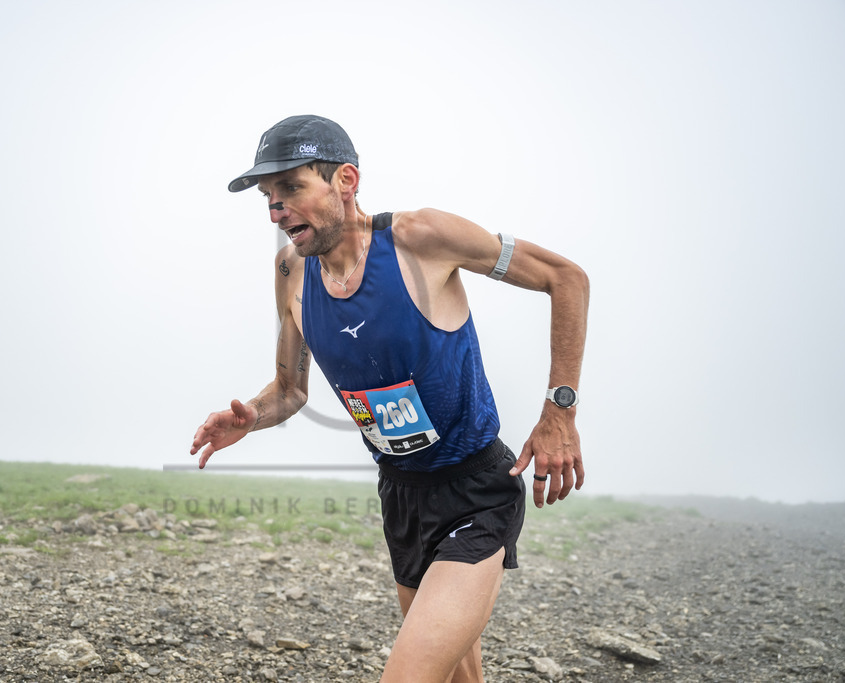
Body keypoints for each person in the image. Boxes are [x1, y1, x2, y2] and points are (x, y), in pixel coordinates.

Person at [190, 115, 589, 683]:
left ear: (345, 180)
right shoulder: (290, 273)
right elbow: (291, 389)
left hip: (476, 491)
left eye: (292, 189)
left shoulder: (419, 239)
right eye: (268, 197)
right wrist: (252, 417)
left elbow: (565, 278)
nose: (277, 211)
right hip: (402, 499)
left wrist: (559, 412)